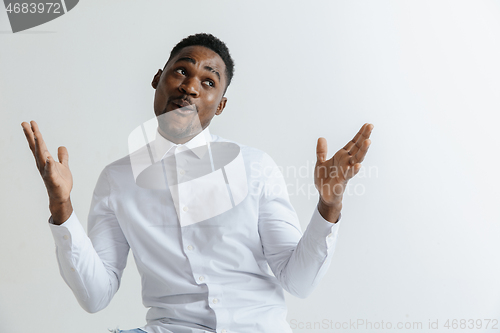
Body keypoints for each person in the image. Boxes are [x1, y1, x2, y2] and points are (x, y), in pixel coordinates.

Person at [21, 33, 374, 333]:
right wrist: (61, 207)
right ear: (158, 78)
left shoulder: (255, 168)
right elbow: (96, 296)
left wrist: (329, 205)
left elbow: (298, 281)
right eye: (181, 71)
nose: (190, 87)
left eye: (208, 81)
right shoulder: (117, 180)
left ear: (220, 105)